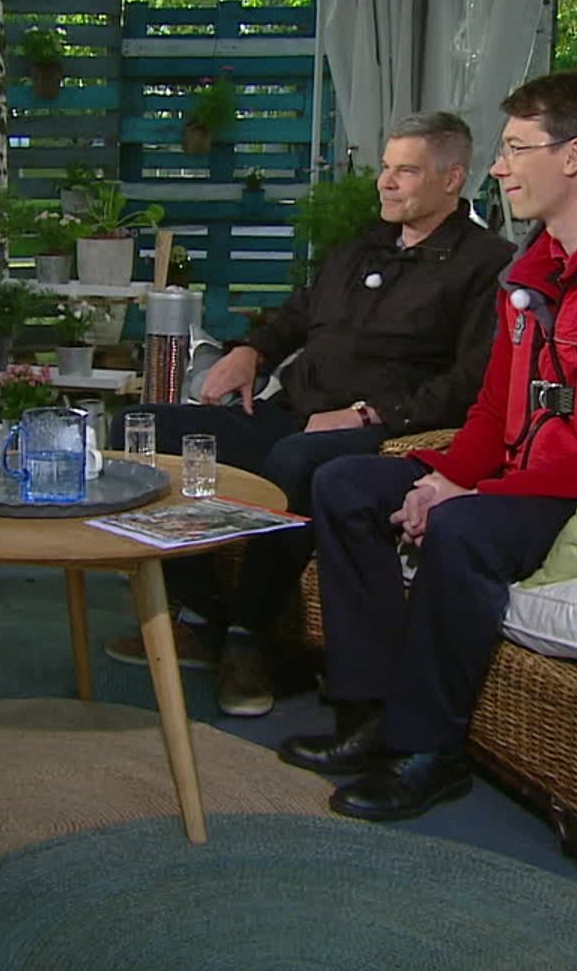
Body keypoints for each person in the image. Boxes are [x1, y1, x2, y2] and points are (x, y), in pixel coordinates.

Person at [282, 68, 577, 821]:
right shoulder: (534, 268)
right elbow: (498, 406)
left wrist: (474, 493)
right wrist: (443, 476)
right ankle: (369, 713)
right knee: (346, 485)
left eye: (516, 148)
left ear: (574, 155)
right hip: (532, 472)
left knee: (464, 528)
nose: (497, 168)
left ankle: (429, 751)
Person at [103, 111, 512, 718]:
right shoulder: (363, 246)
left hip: (377, 435)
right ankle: (204, 612)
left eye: (406, 171)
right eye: (386, 167)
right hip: (289, 413)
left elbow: (472, 382)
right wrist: (252, 351)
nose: (386, 182)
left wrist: (369, 414)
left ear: (452, 179)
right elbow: (297, 313)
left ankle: (249, 637)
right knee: (141, 429)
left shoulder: (486, 264)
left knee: (295, 459)